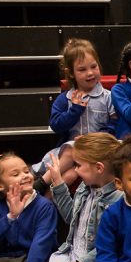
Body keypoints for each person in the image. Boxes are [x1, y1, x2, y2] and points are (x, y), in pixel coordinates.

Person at [37, 132, 123, 262]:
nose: (75, 170)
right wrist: (58, 182)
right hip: (70, 254)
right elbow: (71, 218)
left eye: (78, 165)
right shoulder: (85, 187)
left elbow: (111, 245)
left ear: (99, 168)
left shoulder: (118, 199)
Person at [42, 38, 116, 186]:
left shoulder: (108, 97)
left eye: (94, 67)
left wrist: (95, 137)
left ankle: (40, 184)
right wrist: (74, 110)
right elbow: (56, 125)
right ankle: (42, 202)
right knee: (68, 176)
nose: (90, 73)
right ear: (70, 73)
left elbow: (115, 124)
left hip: (98, 150)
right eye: (82, 70)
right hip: (74, 153)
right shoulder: (65, 99)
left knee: (72, 159)